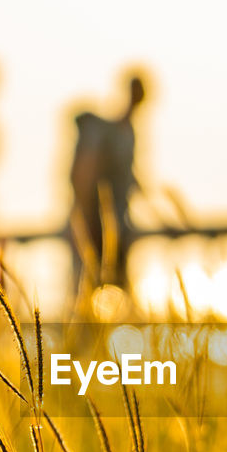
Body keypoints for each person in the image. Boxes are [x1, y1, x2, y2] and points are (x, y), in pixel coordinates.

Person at [66, 72, 147, 294]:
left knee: (114, 283)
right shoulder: (106, 131)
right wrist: (86, 216)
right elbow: (85, 174)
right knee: (88, 281)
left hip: (118, 221)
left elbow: (127, 175)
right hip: (97, 221)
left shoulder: (128, 131)